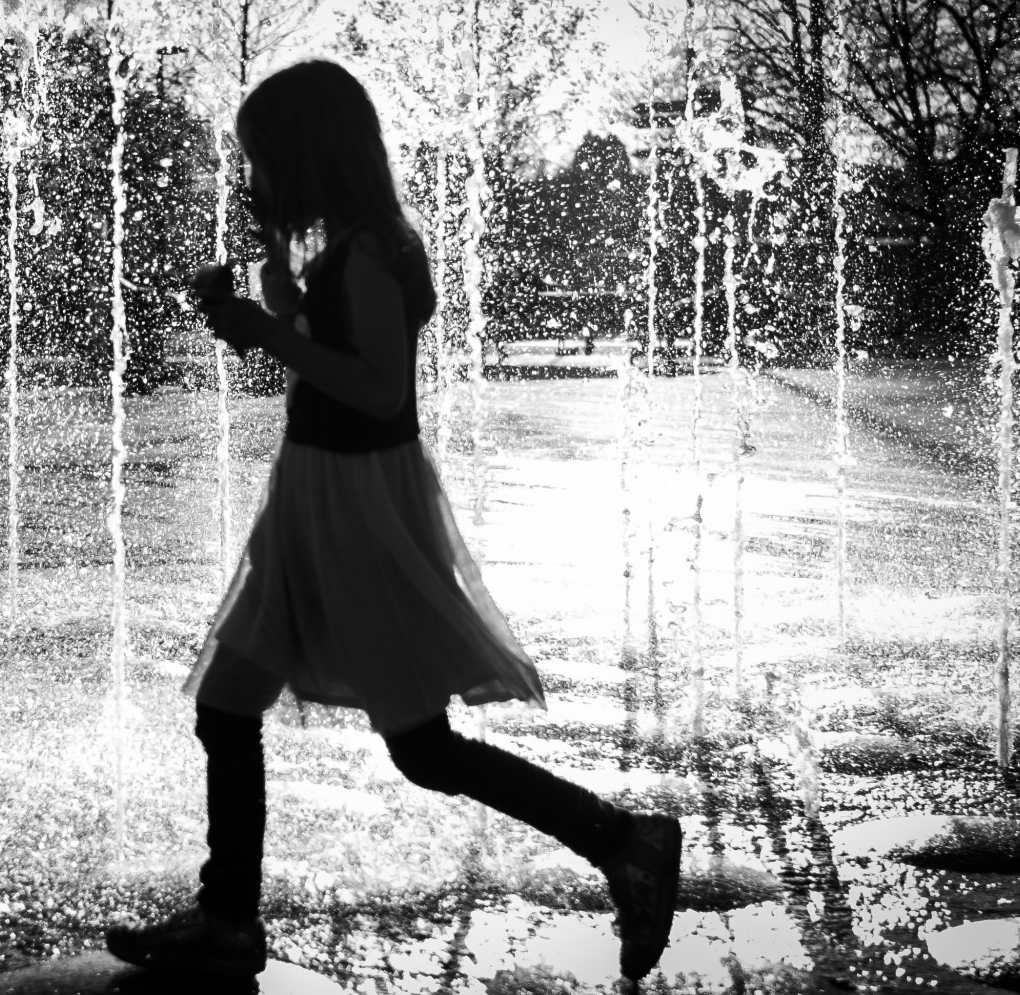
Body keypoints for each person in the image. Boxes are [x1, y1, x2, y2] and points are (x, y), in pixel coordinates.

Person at [105, 59, 682, 984]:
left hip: (352, 505)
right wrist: (270, 285)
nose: (251, 177)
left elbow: (377, 389)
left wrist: (270, 336)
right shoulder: (350, 244)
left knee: (420, 747)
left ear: (306, 152)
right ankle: (227, 917)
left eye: (261, 160)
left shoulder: (371, 248)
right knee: (227, 703)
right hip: (314, 496)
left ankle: (623, 840)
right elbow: (326, 336)